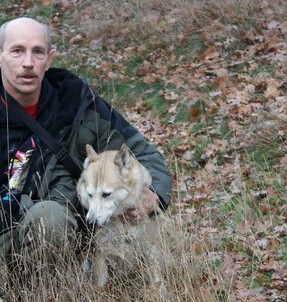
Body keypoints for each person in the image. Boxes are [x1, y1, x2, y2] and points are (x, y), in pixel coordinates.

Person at [0, 17, 172, 275]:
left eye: (37, 52)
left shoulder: (76, 103)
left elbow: (144, 156)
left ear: (49, 59)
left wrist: (148, 196)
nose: (27, 63)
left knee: (50, 218)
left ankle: (55, 299)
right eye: (17, 51)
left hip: (64, 231)